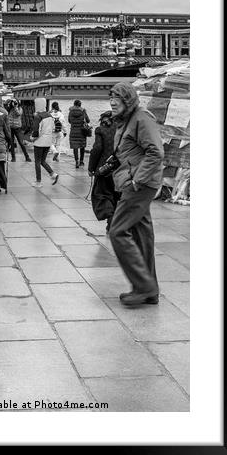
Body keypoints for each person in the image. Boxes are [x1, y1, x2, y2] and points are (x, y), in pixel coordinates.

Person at [107, 81, 164, 307]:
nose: (112, 102)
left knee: (117, 231)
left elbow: (156, 152)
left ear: (127, 100)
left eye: (118, 99)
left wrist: (136, 180)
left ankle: (143, 285)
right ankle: (150, 290)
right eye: (111, 97)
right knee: (143, 235)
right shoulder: (128, 119)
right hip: (136, 181)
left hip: (140, 184)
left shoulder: (142, 118)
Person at [88, 111, 120, 233]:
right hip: (120, 168)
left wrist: (91, 168)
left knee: (103, 195)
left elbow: (97, 148)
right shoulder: (122, 130)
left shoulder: (100, 130)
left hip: (104, 169)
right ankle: (111, 225)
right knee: (116, 196)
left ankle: (111, 221)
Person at [30, 107, 59, 188]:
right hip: (47, 142)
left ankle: (38, 182)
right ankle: (53, 174)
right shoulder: (50, 116)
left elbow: (36, 131)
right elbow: (53, 128)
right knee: (42, 161)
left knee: (37, 162)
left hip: (39, 142)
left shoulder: (38, 116)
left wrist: (32, 138)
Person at [68, 99, 90, 168]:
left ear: (74, 104)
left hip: (73, 131)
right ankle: (81, 161)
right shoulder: (83, 111)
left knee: (75, 147)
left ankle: (76, 160)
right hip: (81, 131)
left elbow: (69, 121)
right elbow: (88, 120)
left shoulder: (71, 112)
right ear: (80, 105)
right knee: (82, 146)